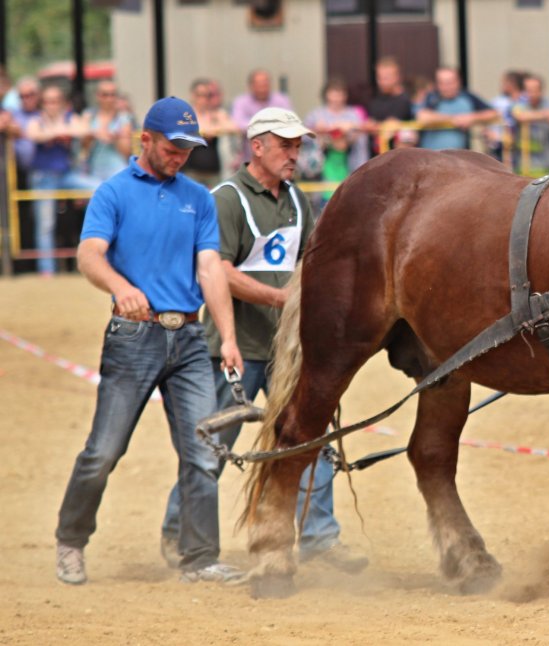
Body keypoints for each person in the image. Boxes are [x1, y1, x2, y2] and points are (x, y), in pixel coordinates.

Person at [159, 106, 369, 574]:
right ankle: (178, 530)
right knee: (213, 446)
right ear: (257, 147)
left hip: (289, 350)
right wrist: (280, 299)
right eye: (285, 146)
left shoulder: (297, 200)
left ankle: (319, 536)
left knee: (310, 438)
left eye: (298, 146)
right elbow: (219, 270)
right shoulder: (226, 199)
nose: (295, 155)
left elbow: (311, 264)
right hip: (236, 345)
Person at [54, 96, 244, 586]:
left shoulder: (198, 198)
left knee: (202, 454)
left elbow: (210, 268)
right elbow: (89, 255)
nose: (180, 156)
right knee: (104, 451)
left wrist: (227, 337)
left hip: (191, 340)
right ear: (146, 139)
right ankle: (71, 540)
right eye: (172, 147)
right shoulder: (113, 193)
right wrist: (121, 287)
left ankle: (199, 558)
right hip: (133, 336)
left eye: (187, 149)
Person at [25, 85, 98, 276]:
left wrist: (56, 131)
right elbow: (33, 134)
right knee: (46, 224)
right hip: (43, 177)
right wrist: (59, 132)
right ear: (43, 103)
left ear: (63, 103)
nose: (52, 105)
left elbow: (84, 130)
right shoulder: (36, 119)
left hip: (66, 175)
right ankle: (47, 271)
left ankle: (98, 257)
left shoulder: (69, 117)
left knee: (100, 189)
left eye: (56, 101)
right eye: (48, 101)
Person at [304, 78, 369, 205]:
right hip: (322, 171)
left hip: (349, 169)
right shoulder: (316, 115)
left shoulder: (353, 115)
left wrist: (351, 130)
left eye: (340, 94)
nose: (336, 98)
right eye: (333, 93)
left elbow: (361, 140)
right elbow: (304, 137)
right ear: (326, 95)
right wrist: (318, 131)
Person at [415, 67, 498, 151]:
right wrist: (454, 119)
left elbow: (493, 113)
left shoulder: (467, 97)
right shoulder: (432, 97)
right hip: (431, 154)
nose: (446, 87)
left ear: (458, 82)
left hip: (458, 155)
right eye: (442, 83)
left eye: (450, 82)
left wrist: (471, 118)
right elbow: (422, 116)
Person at [510, 74, 549, 177]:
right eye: (528, 90)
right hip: (524, 166)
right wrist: (547, 115)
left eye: (534, 90)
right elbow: (520, 116)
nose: (531, 94)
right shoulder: (519, 105)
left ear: (541, 90)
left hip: (548, 164)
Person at [182, 77, 238, 186]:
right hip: (191, 170)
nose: (203, 100)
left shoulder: (216, 114)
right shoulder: (186, 114)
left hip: (213, 171)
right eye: (200, 95)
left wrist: (213, 128)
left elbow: (234, 128)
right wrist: (207, 130)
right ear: (193, 96)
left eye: (207, 96)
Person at [231, 69, 293, 166]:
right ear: (251, 86)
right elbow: (238, 124)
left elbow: (290, 122)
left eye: (265, 84)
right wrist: (271, 125)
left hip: (279, 159)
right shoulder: (241, 102)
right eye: (259, 85)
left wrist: (256, 126)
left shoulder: (281, 100)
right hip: (250, 159)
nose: (262, 88)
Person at [79, 81, 134, 181]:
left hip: (117, 168)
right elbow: (83, 147)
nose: (109, 99)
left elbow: (126, 152)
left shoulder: (124, 118)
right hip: (93, 169)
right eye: (105, 95)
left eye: (112, 95)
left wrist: (115, 138)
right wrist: (93, 135)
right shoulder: (88, 115)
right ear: (97, 96)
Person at [366, 57, 416, 153]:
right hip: (379, 155)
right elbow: (371, 124)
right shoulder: (375, 101)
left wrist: (376, 127)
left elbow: (391, 124)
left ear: (397, 77)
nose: (382, 81)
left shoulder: (406, 100)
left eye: (387, 77)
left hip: (401, 155)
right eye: (380, 77)